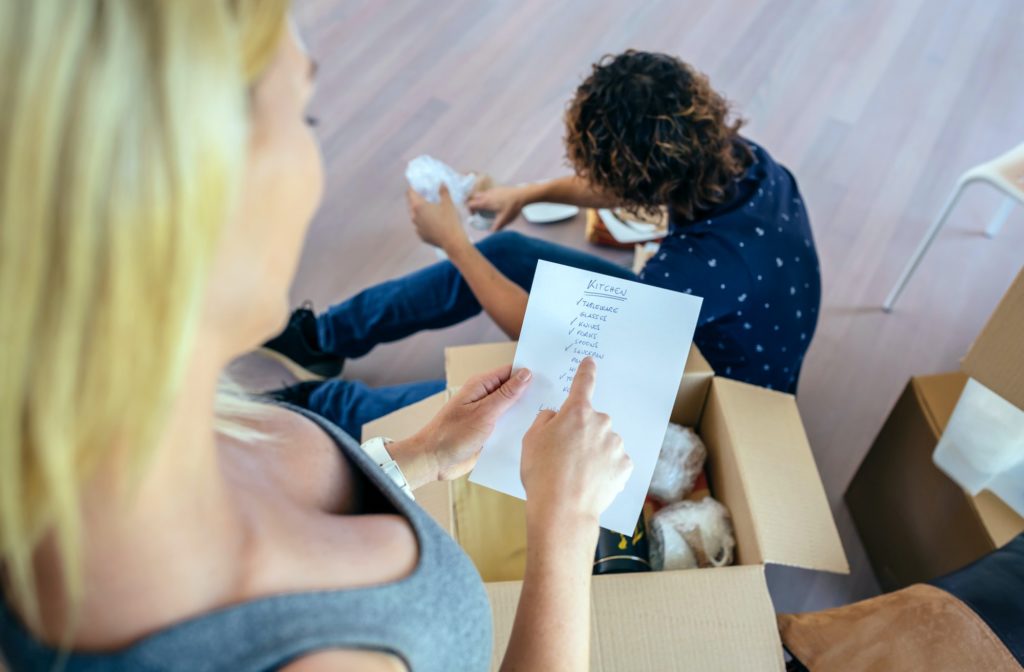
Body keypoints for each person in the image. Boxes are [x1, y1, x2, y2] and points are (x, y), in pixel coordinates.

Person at [0, 3, 632, 671]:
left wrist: (424, 455)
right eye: (304, 117)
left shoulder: (119, 438)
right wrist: (565, 522)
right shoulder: (296, 656)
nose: (316, 162)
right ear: (187, 187)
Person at [264, 50, 821, 438]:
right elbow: (631, 182)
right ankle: (323, 338)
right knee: (504, 254)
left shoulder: (693, 269)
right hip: (706, 319)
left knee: (509, 397)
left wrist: (455, 244)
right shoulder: (729, 155)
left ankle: (323, 410)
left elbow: (554, 342)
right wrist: (527, 195)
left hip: (720, 390)